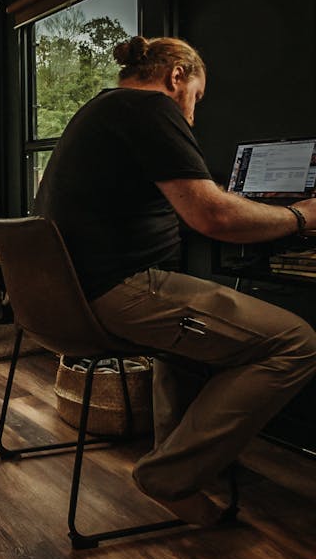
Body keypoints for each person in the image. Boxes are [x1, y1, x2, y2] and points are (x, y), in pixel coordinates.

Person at [34, 35, 316, 526]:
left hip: (67, 298)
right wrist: (301, 216)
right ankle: (170, 474)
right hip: (118, 291)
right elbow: (214, 218)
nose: (193, 112)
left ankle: (180, 456)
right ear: (177, 76)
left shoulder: (103, 109)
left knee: (191, 339)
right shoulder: (149, 109)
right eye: (197, 98)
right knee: (296, 342)